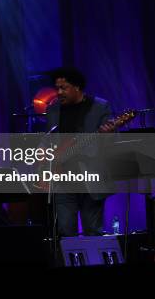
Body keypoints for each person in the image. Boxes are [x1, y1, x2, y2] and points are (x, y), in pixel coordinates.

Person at [45, 67, 115, 236]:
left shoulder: (99, 107)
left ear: (77, 87)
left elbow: (112, 143)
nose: (59, 92)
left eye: (64, 88)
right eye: (57, 88)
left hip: (90, 179)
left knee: (93, 231)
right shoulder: (53, 109)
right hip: (63, 179)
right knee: (65, 231)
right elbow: (49, 141)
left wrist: (107, 135)